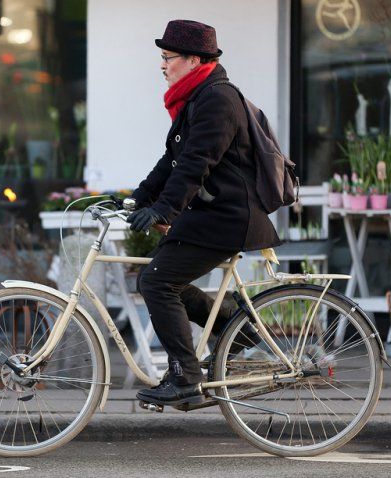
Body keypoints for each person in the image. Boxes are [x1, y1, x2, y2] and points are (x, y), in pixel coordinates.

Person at [126, 19, 282, 407]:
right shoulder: (197, 97)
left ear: (194, 60)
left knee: (157, 282)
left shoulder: (217, 99)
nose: (162, 65)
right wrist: (137, 199)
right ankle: (235, 327)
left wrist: (164, 208)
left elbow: (198, 163)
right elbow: (172, 160)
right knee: (158, 277)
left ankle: (185, 375)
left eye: (167, 58)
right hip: (215, 215)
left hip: (229, 217)